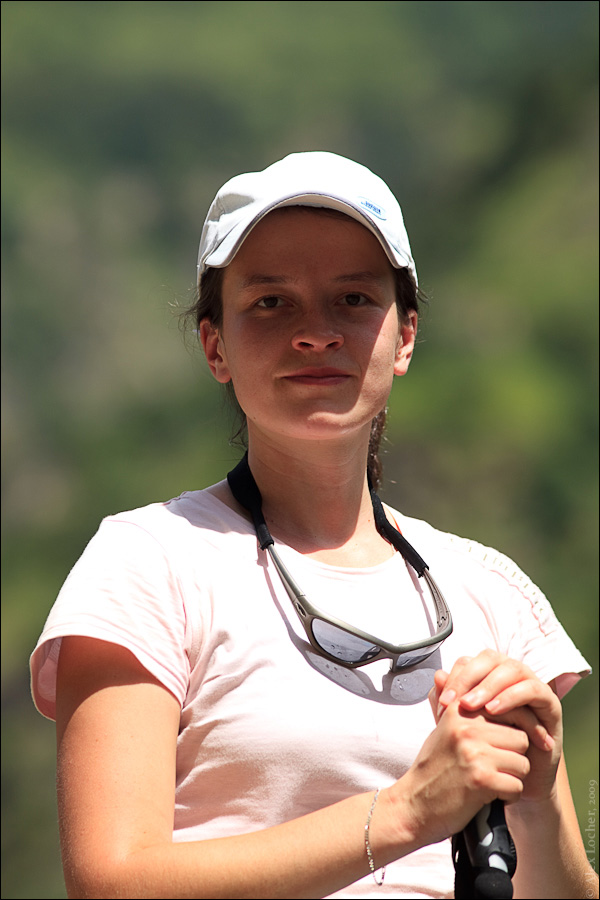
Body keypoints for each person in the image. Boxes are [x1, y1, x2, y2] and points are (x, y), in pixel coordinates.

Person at [31, 151, 597, 899]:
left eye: (354, 299)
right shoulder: (148, 564)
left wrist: (537, 795)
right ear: (214, 345)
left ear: (405, 337)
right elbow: (111, 881)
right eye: (271, 302)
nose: (316, 333)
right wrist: (404, 813)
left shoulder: (491, 591)